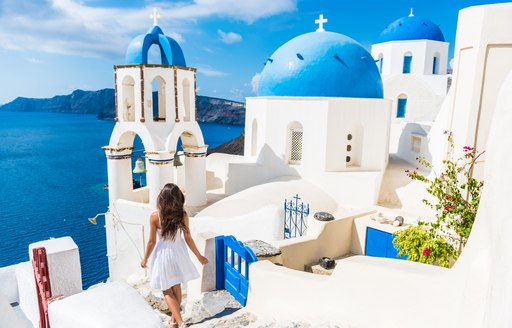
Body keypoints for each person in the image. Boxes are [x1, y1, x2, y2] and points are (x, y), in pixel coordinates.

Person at [141, 183, 208, 328]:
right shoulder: (182, 215)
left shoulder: (155, 217)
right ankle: (173, 320)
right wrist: (199, 256)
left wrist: (145, 258)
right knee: (176, 287)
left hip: (163, 254)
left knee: (166, 289)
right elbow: (188, 238)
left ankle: (180, 322)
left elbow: (152, 241)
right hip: (179, 252)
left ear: (162, 199)